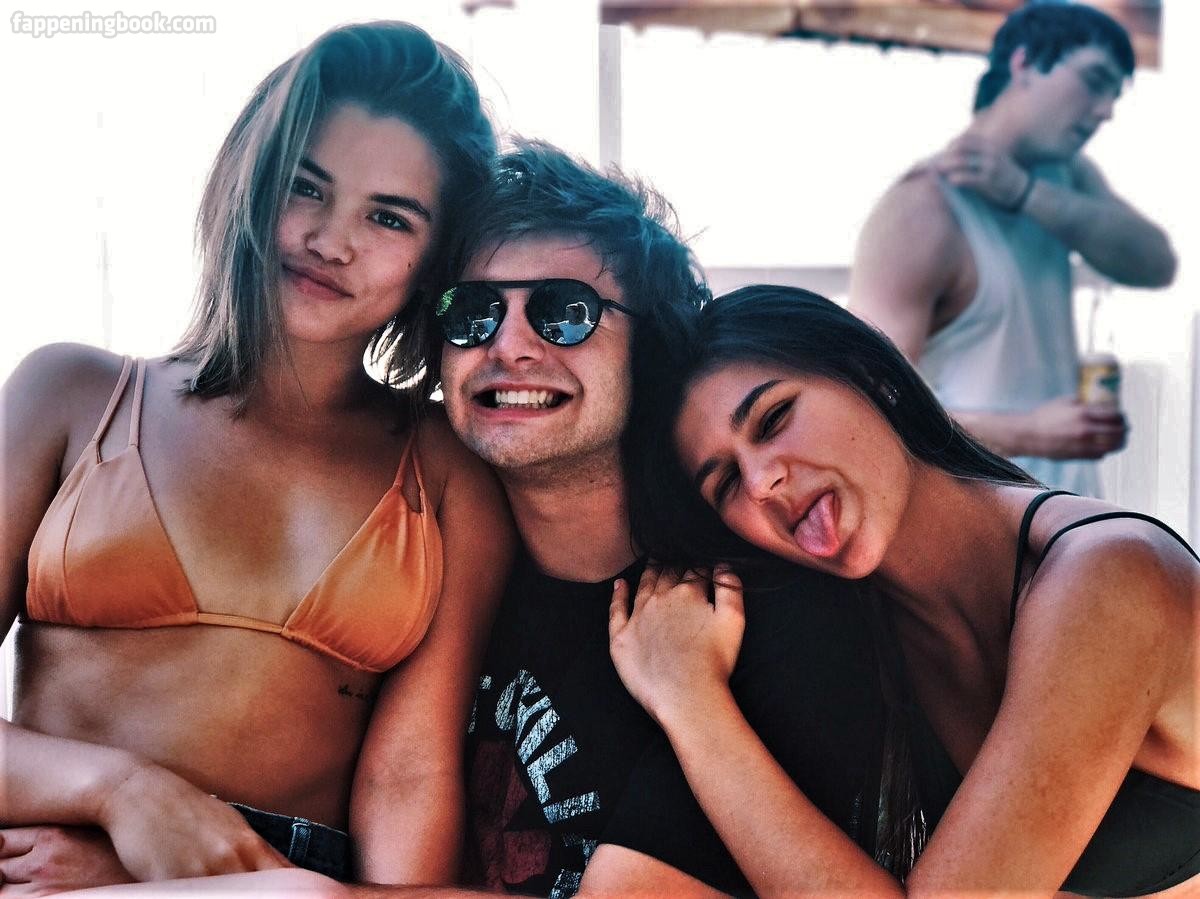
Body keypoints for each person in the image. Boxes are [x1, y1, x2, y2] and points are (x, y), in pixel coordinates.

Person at [82, 143, 896, 899]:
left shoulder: (754, 616)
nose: (508, 345)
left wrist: (180, 890)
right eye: (471, 313)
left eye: (564, 312)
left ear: (650, 351)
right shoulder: (420, 575)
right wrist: (144, 850)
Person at [0, 21, 512, 891]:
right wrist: (120, 791)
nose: (332, 240)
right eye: (306, 188)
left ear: (434, 262)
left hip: (290, 880)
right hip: (45, 864)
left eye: (389, 217)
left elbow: (407, 774)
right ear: (251, 179)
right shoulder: (72, 394)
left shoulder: (445, 468)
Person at [613, 284, 1199, 896]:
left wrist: (690, 701)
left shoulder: (1109, 575)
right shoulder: (858, 637)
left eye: (774, 418)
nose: (762, 483)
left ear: (871, 377)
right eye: (727, 482)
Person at [848, 3, 1177, 497]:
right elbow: (872, 406)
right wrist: (1030, 433)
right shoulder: (920, 209)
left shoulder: (1064, 175)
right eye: (1095, 81)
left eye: (1114, 94)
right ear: (1024, 62)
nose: (1106, 110)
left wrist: (1024, 193)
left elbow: (1156, 264)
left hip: (1070, 514)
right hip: (983, 524)